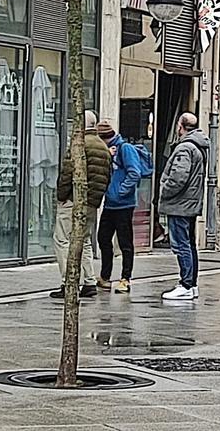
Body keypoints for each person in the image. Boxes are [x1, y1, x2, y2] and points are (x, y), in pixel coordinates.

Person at [50, 111, 112, 299]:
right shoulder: (102, 146)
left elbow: (67, 173)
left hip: (73, 200)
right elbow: (106, 176)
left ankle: (68, 282)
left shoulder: (79, 144)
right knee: (84, 240)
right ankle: (89, 280)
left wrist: (61, 196)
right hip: (92, 202)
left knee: (62, 240)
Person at [159, 113, 210, 300]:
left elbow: (178, 177)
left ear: (180, 126)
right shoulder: (199, 145)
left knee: (181, 245)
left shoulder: (185, 148)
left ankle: (186, 284)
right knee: (189, 244)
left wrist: (164, 191)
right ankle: (191, 283)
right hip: (190, 202)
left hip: (180, 204)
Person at [96, 120, 142, 294]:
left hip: (123, 205)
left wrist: (120, 192)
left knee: (125, 243)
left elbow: (134, 173)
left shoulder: (125, 149)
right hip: (110, 204)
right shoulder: (109, 150)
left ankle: (125, 279)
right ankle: (105, 276)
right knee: (103, 238)